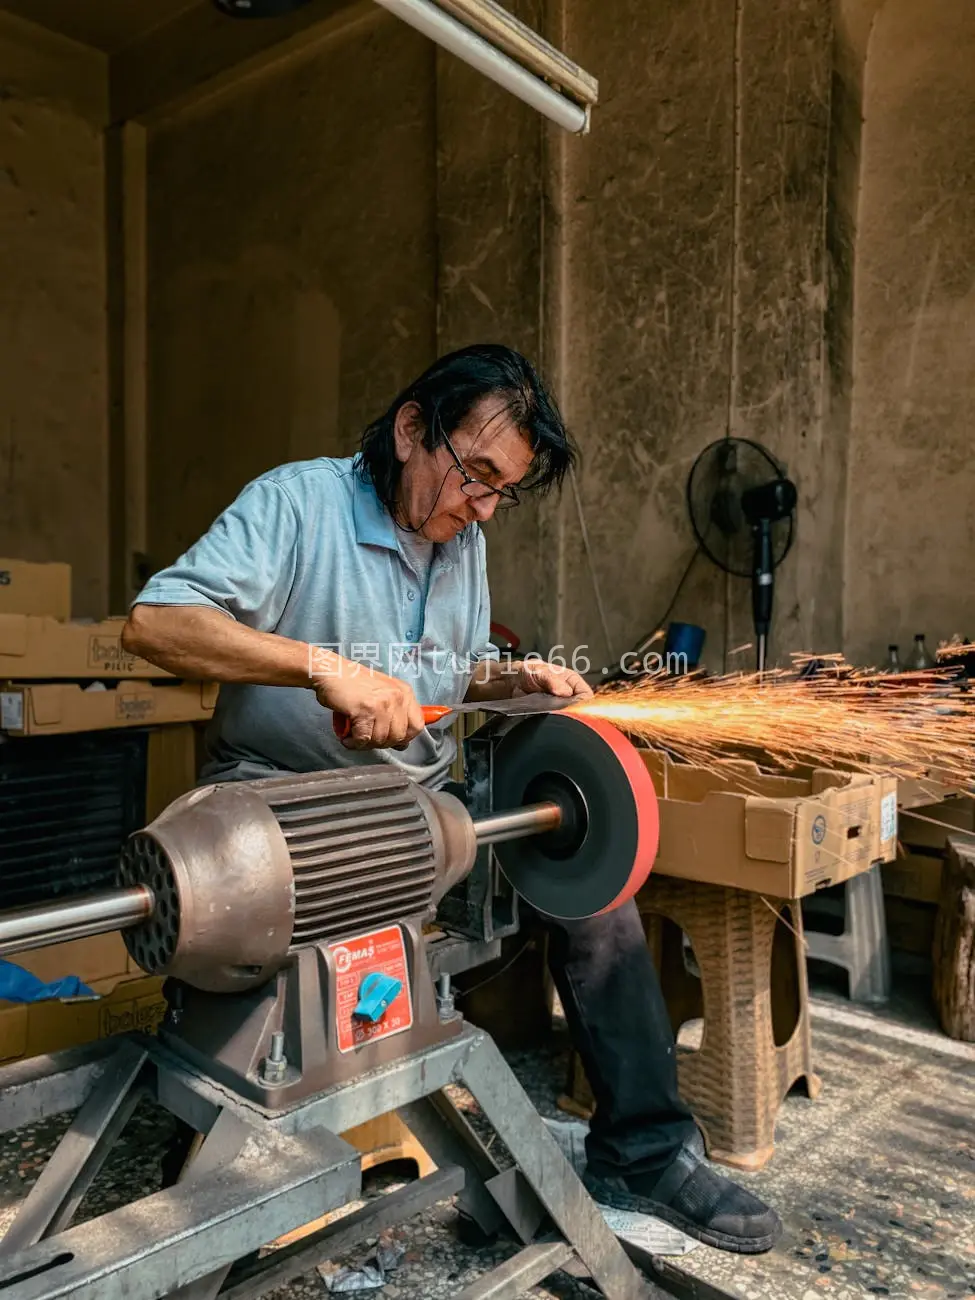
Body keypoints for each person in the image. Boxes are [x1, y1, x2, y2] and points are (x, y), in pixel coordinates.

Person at [123, 343, 781, 1254]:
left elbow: (450, 670)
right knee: (279, 962)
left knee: (598, 897)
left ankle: (644, 1151)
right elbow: (157, 621)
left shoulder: (459, 540)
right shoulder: (296, 504)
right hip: (285, 810)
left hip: (425, 812)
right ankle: (225, 1137)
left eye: (500, 491)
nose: (481, 507)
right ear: (409, 431)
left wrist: (505, 680)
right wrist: (324, 669)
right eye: (474, 474)